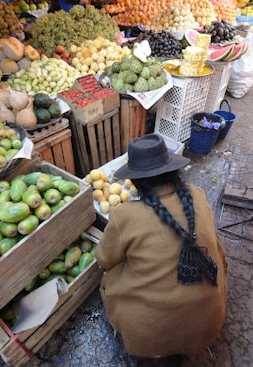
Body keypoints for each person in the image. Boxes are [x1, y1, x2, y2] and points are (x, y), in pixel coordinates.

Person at [95, 133, 228, 363]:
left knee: (113, 274)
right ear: (173, 171)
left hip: (148, 336)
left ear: (134, 182)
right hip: (210, 325)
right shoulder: (196, 194)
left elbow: (104, 260)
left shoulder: (123, 215)